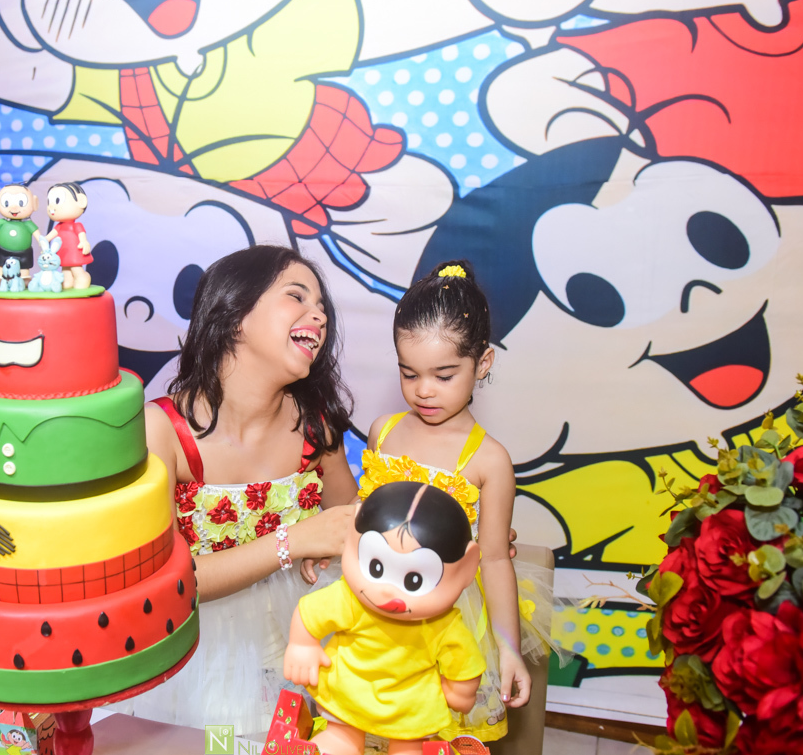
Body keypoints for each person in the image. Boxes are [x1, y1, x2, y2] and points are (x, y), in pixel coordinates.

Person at [110, 245, 358, 735]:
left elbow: (349, 517)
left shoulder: (317, 425)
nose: (319, 315)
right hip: (198, 649)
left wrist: (337, 541)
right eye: (297, 296)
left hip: (304, 636)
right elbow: (165, 582)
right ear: (233, 315)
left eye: (323, 307)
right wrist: (296, 541)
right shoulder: (162, 431)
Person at [358, 261, 558, 745]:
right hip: (373, 612)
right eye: (410, 373)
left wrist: (509, 649)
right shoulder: (383, 431)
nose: (424, 390)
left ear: (482, 364)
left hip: (443, 622)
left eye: (444, 375)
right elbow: (359, 527)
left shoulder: (489, 461)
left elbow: (493, 560)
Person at [285, 481, 486, 755]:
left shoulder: (443, 624)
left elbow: (464, 662)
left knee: (409, 746)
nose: (387, 593)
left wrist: (462, 690)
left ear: (465, 569)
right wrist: (302, 646)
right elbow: (311, 614)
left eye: (414, 580)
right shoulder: (350, 598)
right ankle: (342, 741)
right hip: (349, 692)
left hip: (410, 707)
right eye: (376, 567)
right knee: (340, 739)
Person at [0, 184, 45, 288]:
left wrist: (43, 245)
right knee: (0, 263)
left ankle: (24, 278)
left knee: (24, 265)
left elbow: (39, 236)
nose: (14, 207)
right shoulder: (1, 222)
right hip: (3, 250)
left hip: (24, 251)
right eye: (6, 203)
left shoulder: (28, 224)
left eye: (21, 203)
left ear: (34, 203)